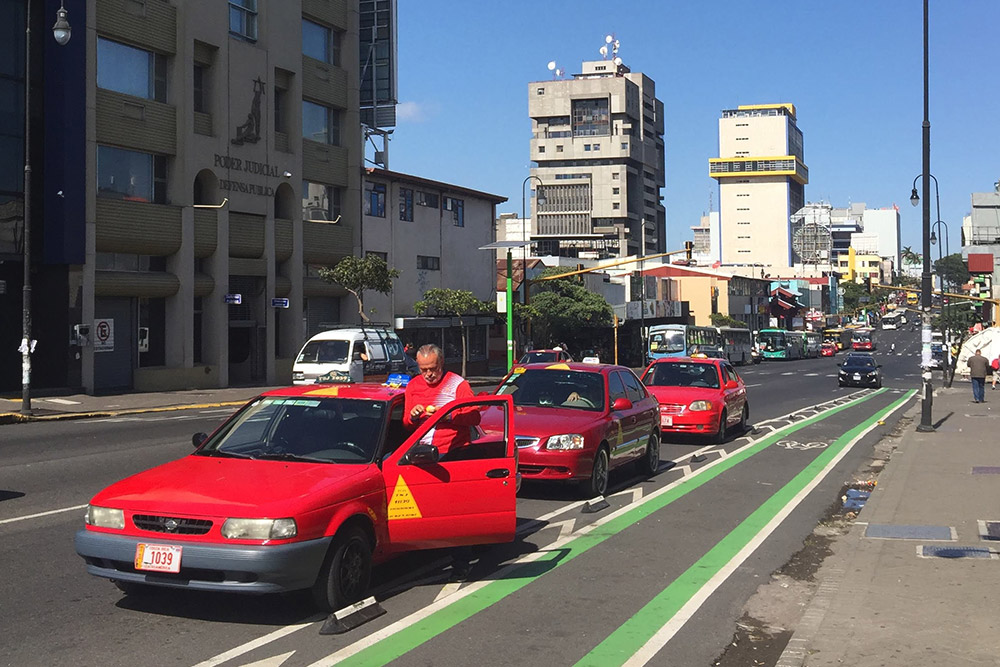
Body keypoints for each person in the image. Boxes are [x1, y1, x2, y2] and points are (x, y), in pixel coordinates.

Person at [403, 344, 476, 455]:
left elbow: (474, 417)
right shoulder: (412, 385)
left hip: (453, 452)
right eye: (423, 370)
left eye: (433, 369)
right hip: (421, 452)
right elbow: (407, 425)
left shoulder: (458, 384)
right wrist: (413, 417)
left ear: (441, 362)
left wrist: (448, 416)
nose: (429, 374)